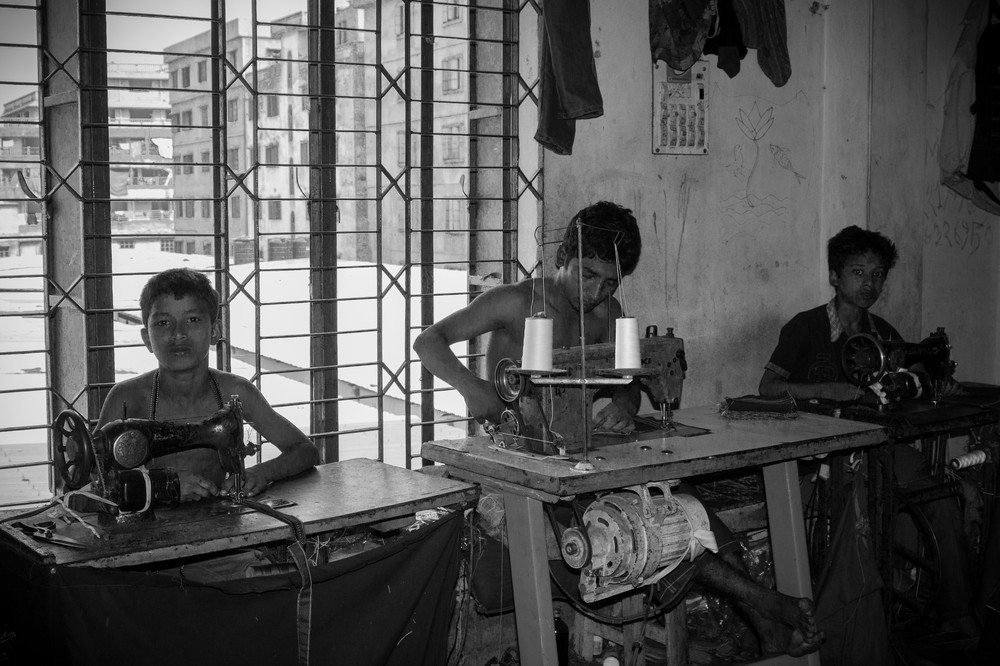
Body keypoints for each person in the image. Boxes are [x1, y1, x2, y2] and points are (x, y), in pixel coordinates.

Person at [415, 201, 822, 658]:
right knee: (645, 525)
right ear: (562, 257)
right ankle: (765, 602)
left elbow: (627, 380)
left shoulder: (607, 314)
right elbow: (428, 341)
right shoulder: (515, 302)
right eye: (587, 274)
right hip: (519, 458)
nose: (595, 291)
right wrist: (473, 389)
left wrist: (627, 403)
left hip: (581, 456)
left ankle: (766, 626)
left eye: (609, 282)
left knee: (688, 505)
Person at [758, 224, 980, 638]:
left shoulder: (882, 334)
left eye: (877, 275)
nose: (869, 284)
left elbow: (911, 377)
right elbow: (767, 388)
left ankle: (957, 614)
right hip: (823, 456)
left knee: (940, 500)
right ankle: (861, 623)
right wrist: (829, 390)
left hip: (878, 448)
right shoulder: (805, 328)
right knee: (865, 512)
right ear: (835, 276)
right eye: (858, 272)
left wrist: (934, 382)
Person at [97, 267, 318, 502]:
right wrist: (160, 486)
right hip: (148, 521)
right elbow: (91, 478)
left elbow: (305, 450)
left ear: (214, 331)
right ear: (146, 339)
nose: (178, 333)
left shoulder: (235, 392)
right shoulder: (127, 398)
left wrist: (262, 473)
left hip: (218, 518)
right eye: (163, 323)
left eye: (192, 320)